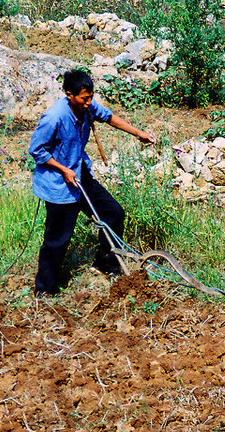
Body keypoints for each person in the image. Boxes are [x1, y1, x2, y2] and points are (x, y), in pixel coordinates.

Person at [28, 69, 157, 296]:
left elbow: (108, 117)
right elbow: (37, 150)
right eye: (83, 98)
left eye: (90, 97)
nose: (89, 102)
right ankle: (44, 291)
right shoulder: (54, 117)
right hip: (59, 183)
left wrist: (138, 133)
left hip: (79, 173)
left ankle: (106, 264)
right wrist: (63, 169)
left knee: (113, 213)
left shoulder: (86, 106)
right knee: (58, 239)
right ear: (69, 94)